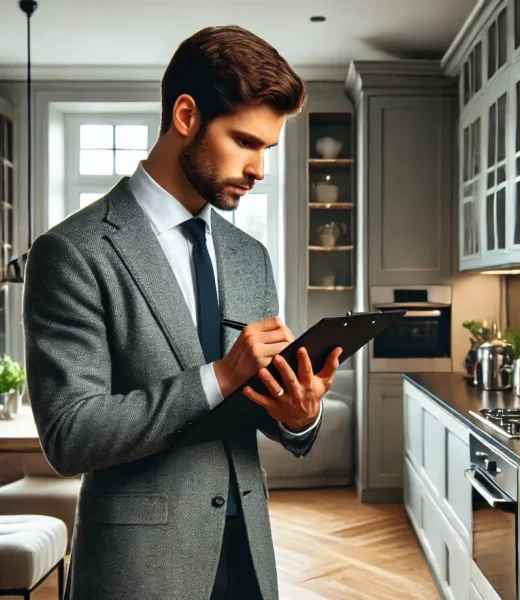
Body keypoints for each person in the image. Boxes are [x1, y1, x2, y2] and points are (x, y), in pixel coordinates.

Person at [22, 24, 342, 600]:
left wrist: (298, 413)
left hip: (250, 557)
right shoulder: (72, 252)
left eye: (267, 149)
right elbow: (70, 434)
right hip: (139, 568)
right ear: (187, 116)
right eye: (245, 142)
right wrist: (220, 376)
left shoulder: (250, 256)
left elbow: (254, 409)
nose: (259, 170)